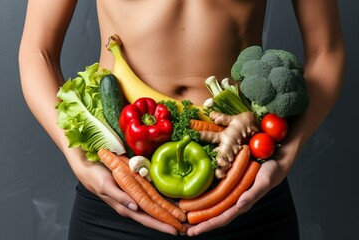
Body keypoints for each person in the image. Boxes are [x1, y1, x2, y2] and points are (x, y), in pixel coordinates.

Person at [19, 0, 345, 239]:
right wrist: (81, 162)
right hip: (120, 185)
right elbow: (38, 51)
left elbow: (326, 50)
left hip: (245, 184)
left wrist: (284, 157)